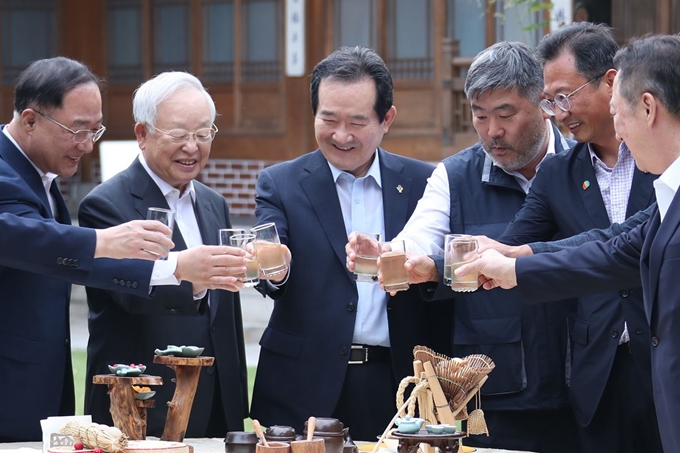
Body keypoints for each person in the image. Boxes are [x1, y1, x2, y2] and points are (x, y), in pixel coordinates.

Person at [456, 34, 680, 453]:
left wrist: (517, 265)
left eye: (621, 115)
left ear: (646, 107)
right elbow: (616, 244)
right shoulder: (665, 196)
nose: (620, 130)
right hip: (603, 380)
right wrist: (519, 259)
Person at [355, 41, 580, 452]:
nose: (492, 131)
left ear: (543, 104)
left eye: (506, 114)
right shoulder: (454, 178)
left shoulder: (582, 164)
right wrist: (393, 257)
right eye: (480, 116)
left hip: (586, 388)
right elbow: (418, 240)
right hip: (494, 401)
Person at [0, 57, 236, 442]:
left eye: (95, 131)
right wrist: (104, 242)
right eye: (77, 131)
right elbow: (20, 237)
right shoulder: (11, 172)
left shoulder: (40, 175)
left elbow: (69, 264)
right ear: (30, 120)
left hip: (38, 383)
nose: (88, 146)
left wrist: (175, 267)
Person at [249, 46, 442, 441]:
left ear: (387, 118)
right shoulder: (281, 183)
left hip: (398, 383)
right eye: (328, 119)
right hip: (298, 384)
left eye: (357, 121)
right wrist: (276, 267)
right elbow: (268, 262)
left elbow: (443, 269)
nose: (341, 135)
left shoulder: (426, 182)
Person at [78, 72, 249, 437]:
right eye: (178, 135)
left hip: (215, 400)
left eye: (203, 134)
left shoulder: (213, 202)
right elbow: (128, 294)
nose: (192, 147)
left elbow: (225, 316)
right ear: (142, 134)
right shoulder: (107, 205)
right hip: (143, 400)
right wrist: (191, 277)